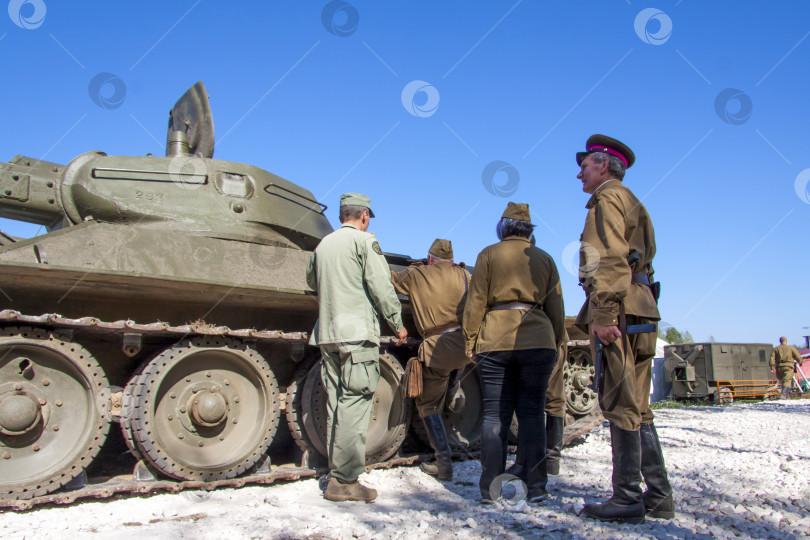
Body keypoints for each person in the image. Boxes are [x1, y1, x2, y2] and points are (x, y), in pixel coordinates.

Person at [574, 135, 673, 524]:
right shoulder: (633, 200)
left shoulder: (607, 199)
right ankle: (659, 495)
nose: (578, 172)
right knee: (638, 405)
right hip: (642, 308)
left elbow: (608, 258)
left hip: (621, 313)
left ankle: (627, 497)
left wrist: (602, 315)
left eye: (584, 165)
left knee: (618, 403)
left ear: (602, 165)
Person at [306, 192, 408, 503]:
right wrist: (397, 323)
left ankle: (337, 471)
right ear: (363, 216)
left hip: (328, 333)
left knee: (337, 403)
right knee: (356, 402)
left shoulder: (323, 245)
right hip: (357, 335)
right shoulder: (365, 242)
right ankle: (344, 481)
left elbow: (312, 280)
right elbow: (381, 285)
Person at [462, 202, 565, 504]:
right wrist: (554, 341)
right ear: (529, 230)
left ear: (503, 227)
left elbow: (476, 301)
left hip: (495, 338)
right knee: (533, 414)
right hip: (538, 339)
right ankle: (536, 488)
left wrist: (470, 342)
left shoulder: (488, 254)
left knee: (494, 415)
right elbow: (556, 306)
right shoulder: (544, 258)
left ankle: (490, 490)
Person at [391, 238, 471, 480]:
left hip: (439, 348)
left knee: (428, 405)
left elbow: (390, 280)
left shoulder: (418, 274)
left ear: (430, 259)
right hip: (466, 347)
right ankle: (453, 390)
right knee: (452, 378)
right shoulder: (465, 275)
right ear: (452, 260)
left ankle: (443, 465)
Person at [506, 331, 567, 478]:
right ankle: (552, 461)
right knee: (555, 397)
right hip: (555, 337)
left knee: (528, 401)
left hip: (536, 339)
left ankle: (524, 464)